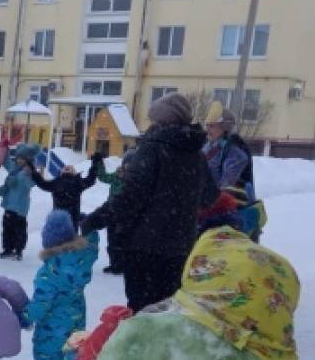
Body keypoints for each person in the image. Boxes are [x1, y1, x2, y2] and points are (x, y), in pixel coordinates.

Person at [81, 93, 219, 312]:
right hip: (180, 247)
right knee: (168, 310)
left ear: (162, 121)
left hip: (145, 247)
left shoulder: (153, 149)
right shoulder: (196, 155)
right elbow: (210, 196)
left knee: (142, 312)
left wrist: (96, 219)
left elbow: (130, 197)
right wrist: (181, 203)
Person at [25, 210, 99, 360]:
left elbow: (41, 301)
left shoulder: (49, 271)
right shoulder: (84, 258)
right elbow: (93, 245)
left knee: (46, 347)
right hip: (77, 314)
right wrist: (89, 226)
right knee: (72, 345)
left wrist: (27, 317)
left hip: (53, 319)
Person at [202, 102, 255, 201]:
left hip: (230, 207)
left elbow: (227, 184)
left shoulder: (234, 150)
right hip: (208, 202)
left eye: (212, 126)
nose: (207, 128)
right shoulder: (209, 146)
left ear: (225, 127)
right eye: (207, 125)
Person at [32, 152, 100, 227]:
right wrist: (32, 170)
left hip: (71, 221)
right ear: (60, 172)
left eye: (71, 167)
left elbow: (91, 179)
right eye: (64, 167)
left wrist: (95, 163)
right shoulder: (56, 182)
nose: (67, 167)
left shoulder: (78, 183)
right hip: (59, 221)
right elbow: (42, 183)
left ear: (75, 172)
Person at [0, 143, 40, 259]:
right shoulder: (13, 169)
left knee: (19, 230)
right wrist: (4, 147)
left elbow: (30, 185)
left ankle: (18, 250)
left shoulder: (30, 173)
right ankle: (7, 249)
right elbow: (5, 161)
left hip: (20, 207)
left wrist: (24, 176)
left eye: (23, 159)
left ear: (28, 160)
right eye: (18, 158)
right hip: (9, 205)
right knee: (7, 228)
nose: (19, 160)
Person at [97, 150, 133, 274]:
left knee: (123, 240)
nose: (128, 166)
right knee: (111, 239)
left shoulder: (136, 179)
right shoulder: (117, 175)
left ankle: (124, 265)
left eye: (131, 164)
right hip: (111, 211)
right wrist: (99, 163)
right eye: (127, 164)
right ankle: (114, 264)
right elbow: (103, 177)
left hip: (126, 214)